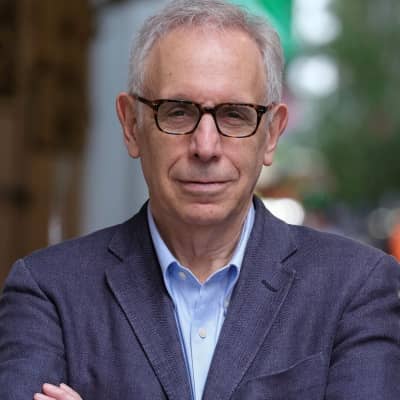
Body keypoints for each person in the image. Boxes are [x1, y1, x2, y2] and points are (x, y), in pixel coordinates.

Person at [1, 0, 399, 399]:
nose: (205, 147)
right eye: (177, 112)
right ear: (131, 125)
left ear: (272, 134)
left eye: (234, 115)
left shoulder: (356, 288)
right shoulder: (48, 291)